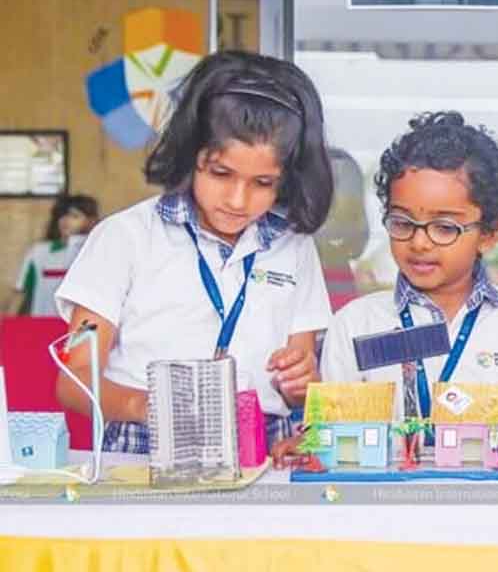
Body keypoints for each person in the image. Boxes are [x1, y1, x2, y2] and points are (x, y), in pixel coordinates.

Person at [54, 50, 334, 452]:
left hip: (262, 448)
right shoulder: (124, 237)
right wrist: (146, 406)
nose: (238, 200)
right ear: (190, 154)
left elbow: (300, 386)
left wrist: (301, 383)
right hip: (146, 443)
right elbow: (75, 376)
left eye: (263, 183)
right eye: (221, 173)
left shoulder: (293, 247)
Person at [319, 111, 498, 463]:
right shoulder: (354, 323)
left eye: (444, 228)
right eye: (403, 223)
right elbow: (329, 431)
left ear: (490, 234)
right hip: (388, 495)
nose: (419, 243)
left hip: (497, 492)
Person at [8, 194, 99, 316]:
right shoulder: (39, 252)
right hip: (43, 322)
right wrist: (7, 322)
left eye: (75, 216)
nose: (66, 220)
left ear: (91, 220)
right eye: (62, 215)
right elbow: (20, 293)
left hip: (82, 325)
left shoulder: (96, 252)